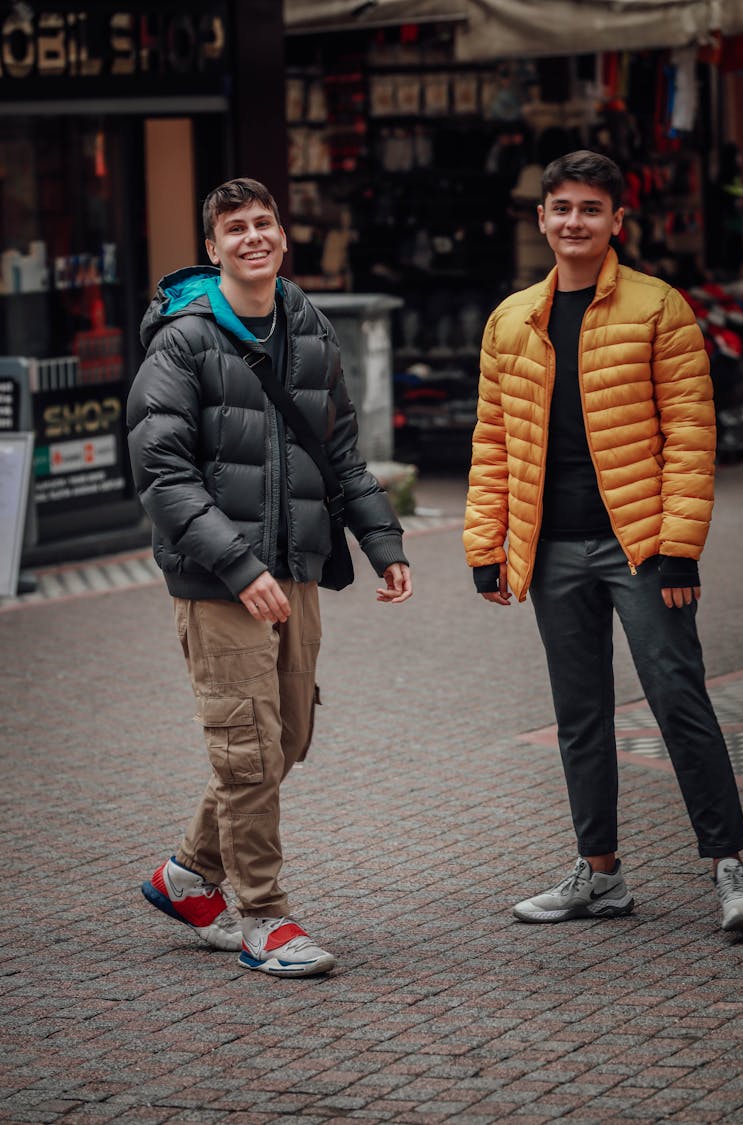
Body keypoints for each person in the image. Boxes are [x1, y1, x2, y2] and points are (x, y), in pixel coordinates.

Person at [127, 177, 412, 977]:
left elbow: (340, 449)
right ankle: (263, 919)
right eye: (233, 227)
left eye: (264, 222)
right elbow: (162, 471)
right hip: (218, 580)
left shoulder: (309, 326)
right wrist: (238, 562)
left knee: (286, 737)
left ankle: (187, 873)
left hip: (298, 569)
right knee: (247, 752)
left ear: (282, 237)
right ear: (212, 248)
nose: (252, 235)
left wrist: (383, 540)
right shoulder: (182, 341)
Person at [463, 150, 743, 932]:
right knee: (578, 713)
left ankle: (732, 866)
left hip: (642, 547)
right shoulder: (511, 318)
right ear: (542, 218)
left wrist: (680, 545)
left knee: (678, 698)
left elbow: (692, 434)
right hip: (552, 550)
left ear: (617, 220)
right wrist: (486, 545)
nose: (574, 222)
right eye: (562, 208)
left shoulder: (659, 308)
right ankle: (601, 876)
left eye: (591, 209)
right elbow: (493, 439)